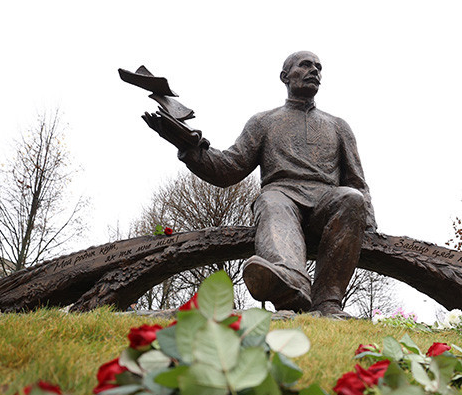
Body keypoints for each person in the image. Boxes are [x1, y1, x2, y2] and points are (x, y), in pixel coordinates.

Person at [145, 51, 375, 316]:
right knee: (271, 201)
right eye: (306, 65)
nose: (315, 71)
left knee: (352, 198)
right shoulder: (264, 122)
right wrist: (191, 149)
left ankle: (327, 303)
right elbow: (229, 168)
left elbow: (357, 182)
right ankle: (290, 281)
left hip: (327, 201)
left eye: (319, 68)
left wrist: (366, 221)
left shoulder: (338, 126)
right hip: (283, 196)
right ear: (285, 76)